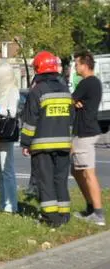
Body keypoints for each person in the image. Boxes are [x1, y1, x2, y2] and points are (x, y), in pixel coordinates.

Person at [20, 51, 74, 228]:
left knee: (46, 181)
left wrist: (26, 143)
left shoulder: (37, 91)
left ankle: (50, 218)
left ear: (37, 69)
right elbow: (71, 118)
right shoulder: (65, 90)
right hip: (64, 144)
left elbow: (30, 121)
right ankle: (64, 215)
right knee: (61, 179)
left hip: (42, 144)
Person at [71, 51, 105, 226]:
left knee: (88, 173)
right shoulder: (94, 83)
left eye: (77, 63)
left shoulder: (87, 82)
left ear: (85, 65)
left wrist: (74, 102)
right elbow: (74, 101)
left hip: (85, 132)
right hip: (84, 131)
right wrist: (76, 102)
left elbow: (70, 99)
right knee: (76, 170)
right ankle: (91, 207)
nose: (75, 66)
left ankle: (98, 213)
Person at [0, 63, 20, 213]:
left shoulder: (13, 90)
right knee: (0, 170)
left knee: (7, 169)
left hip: (6, 132)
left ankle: (11, 205)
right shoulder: (1, 91)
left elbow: (13, 112)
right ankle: (3, 203)